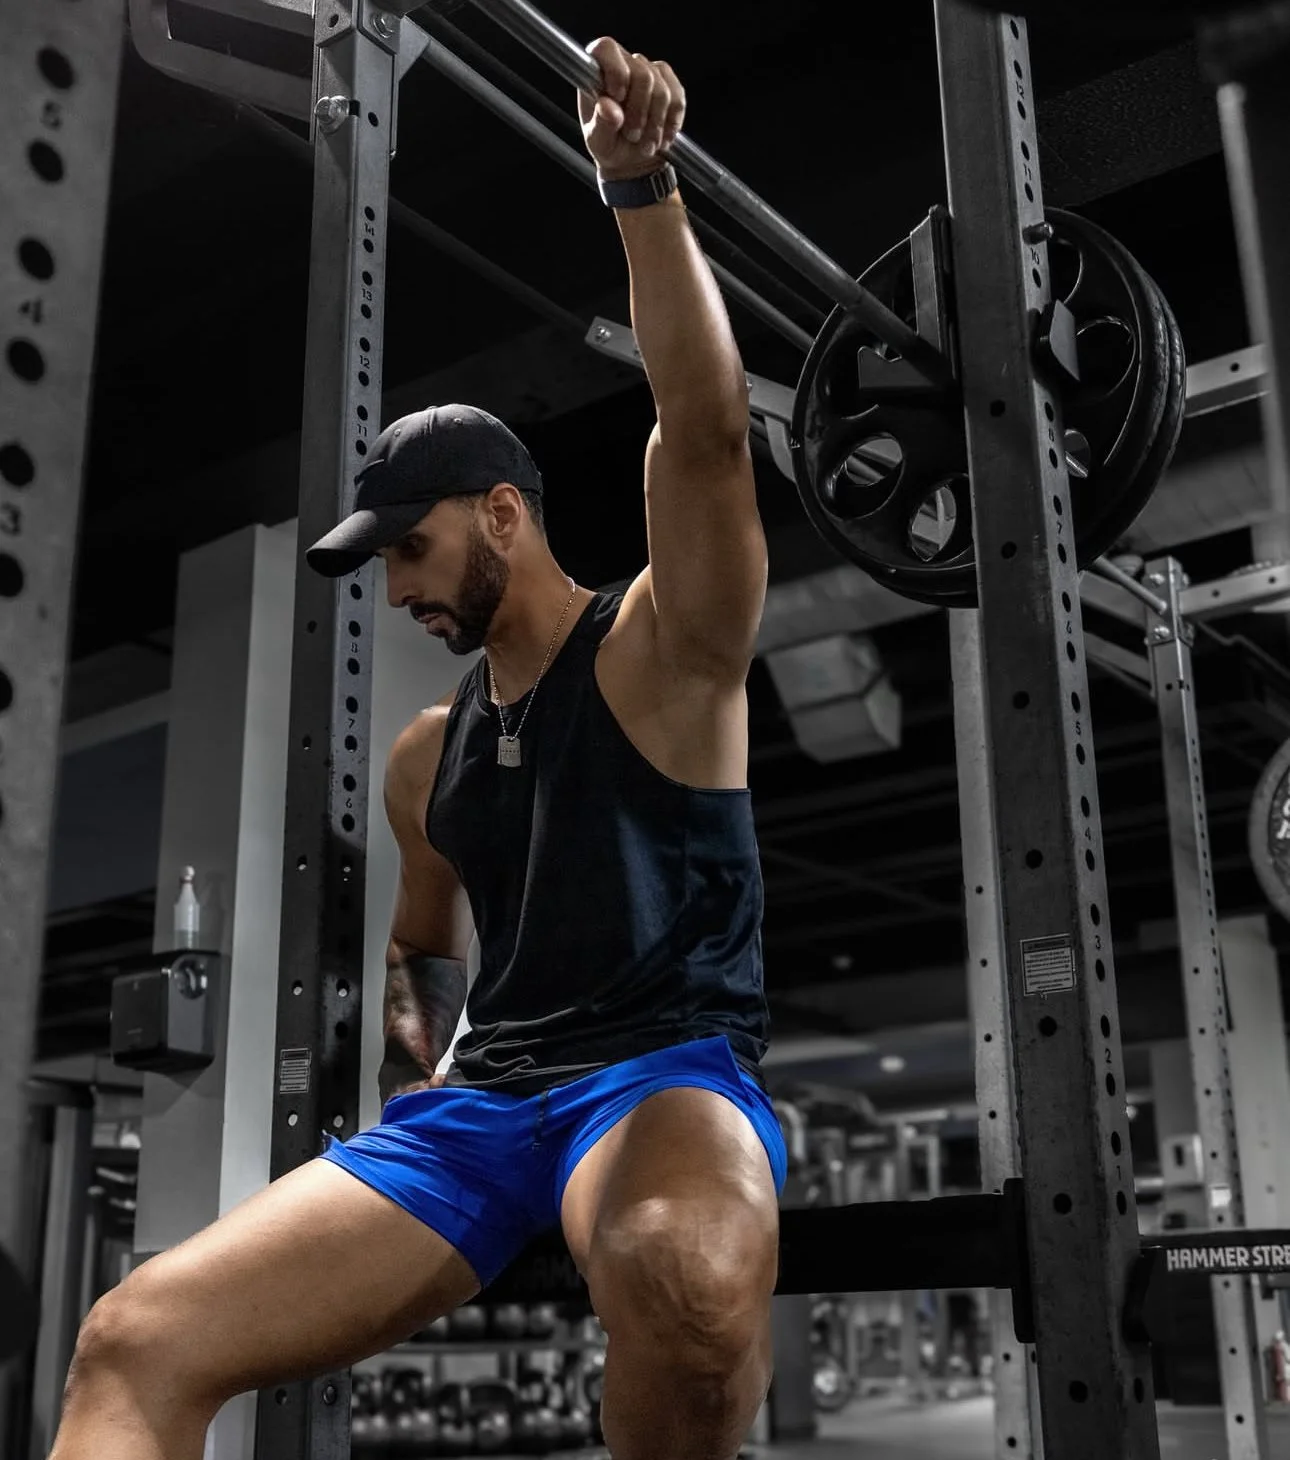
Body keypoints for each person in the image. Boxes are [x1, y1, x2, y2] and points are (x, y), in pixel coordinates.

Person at [49, 36, 784, 1460]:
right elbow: (424, 940)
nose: (397, 591)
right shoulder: (423, 757)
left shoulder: (656, 653)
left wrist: (639, 188)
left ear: (502, 512)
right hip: (482, 1107)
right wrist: (417, 1028)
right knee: (136, 1336)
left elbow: (701, 437)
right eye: (381, 567)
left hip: (663, 1075)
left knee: (682, 1288)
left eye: (415, 551)